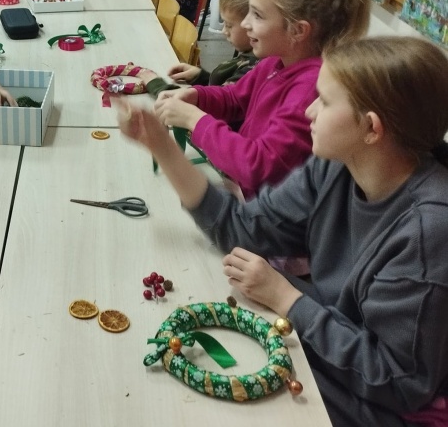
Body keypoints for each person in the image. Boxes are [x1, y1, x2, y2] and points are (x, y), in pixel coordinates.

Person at [117, 36, 448, 427]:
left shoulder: (427, 233)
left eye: (324, 101)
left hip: (385, 404)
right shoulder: (338, 164)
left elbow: (399, 382)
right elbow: (242, 229)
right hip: (333, 350)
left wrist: (288, 298)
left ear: (371, 128)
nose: (308, 110)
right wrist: (163, 147)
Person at [153, 0, 371, 199]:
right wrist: (196, 96)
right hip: (247, 194)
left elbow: (259, 165)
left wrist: (194, 120)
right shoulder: (275, 61)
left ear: (298, 30)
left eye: (257, 15)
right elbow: (235, 98)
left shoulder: (310, 89)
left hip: (268, 211)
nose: (245, 23)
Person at [139, 0, 258, 96]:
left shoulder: (251, 71)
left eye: (229, 25)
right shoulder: (248, 57)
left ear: (252, 26)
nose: (224, 31)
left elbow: (212, 103)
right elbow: (220, 91)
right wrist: (201, 77)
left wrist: (156, 85)